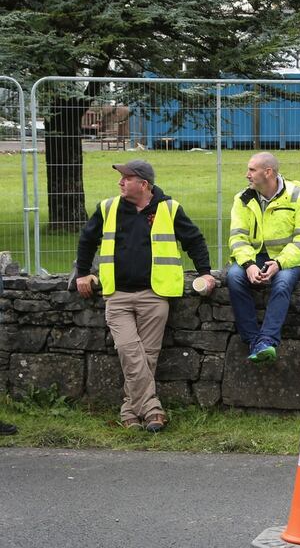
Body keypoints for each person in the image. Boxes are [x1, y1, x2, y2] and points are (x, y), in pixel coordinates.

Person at [76, 160, 215, 432]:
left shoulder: (170, 209)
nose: (120, 182)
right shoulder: (108, 208)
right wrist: (82, 273)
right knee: (130, 351)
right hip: (117, 295)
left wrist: (206, 272)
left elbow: (194, 240)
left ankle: (130, 412)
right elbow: (87, 239)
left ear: (144, 184)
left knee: (146, 356)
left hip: (155, 295)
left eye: (126, 178)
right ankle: (152, 409)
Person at [227, 152, 300, 364]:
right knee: (234, 277)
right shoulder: (243, 198)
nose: (246, 175)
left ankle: (266, 340)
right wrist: (248, 264)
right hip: (254, 257)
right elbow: (237, 238)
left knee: (283, 283)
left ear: (268, 172)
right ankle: (254, 341)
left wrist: (279, 263)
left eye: (251, 170)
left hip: (286, 259)